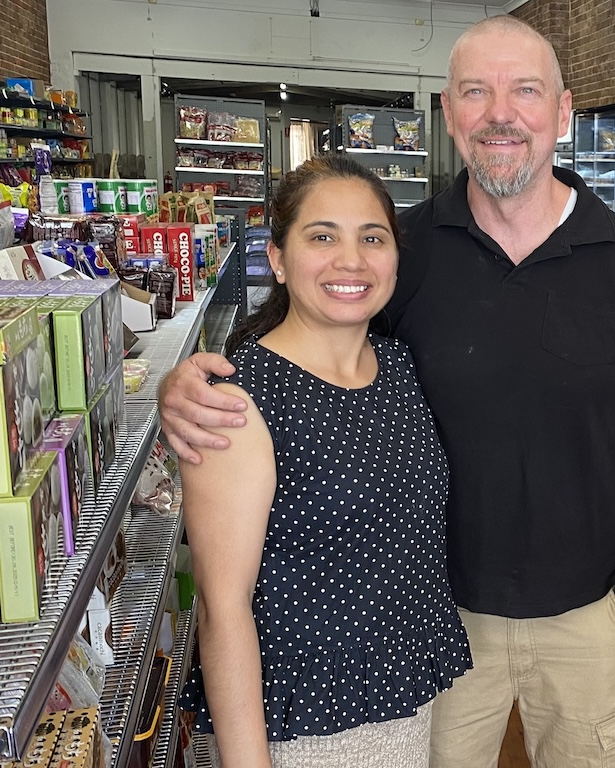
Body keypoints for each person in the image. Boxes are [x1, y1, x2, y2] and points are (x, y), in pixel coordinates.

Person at [160, 16, 615, 768]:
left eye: (525, 92)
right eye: (477, 92)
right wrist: (185, 384)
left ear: (563, 112)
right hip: (436, 625)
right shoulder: (402, 251)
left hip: (590, 618)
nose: (500, 113)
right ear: (449, 115)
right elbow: (313, 341)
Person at [176, 154, 470, 768]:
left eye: (372, 237)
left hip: (404, 707)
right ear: (278, 259)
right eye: (322, 237)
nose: (351, 260)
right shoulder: (238, 403)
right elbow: (221, 610)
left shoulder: (398, 367)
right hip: (303, 731)